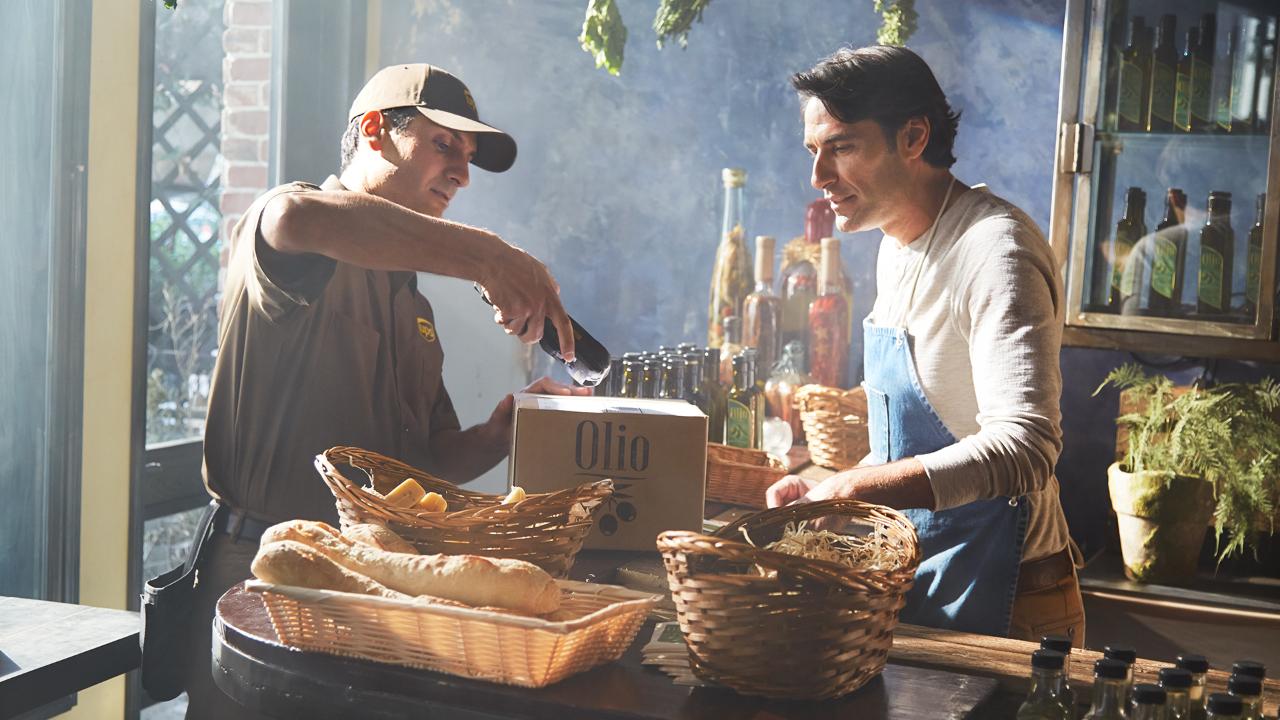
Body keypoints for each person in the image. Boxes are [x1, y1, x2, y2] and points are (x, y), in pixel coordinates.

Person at [181, 63, 587, 718]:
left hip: (373, 587)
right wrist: (488, 255)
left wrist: (501, 433)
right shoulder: (292, 226)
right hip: (265, 573)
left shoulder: (410, 301)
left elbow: (422, 463)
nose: (461, 173)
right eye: (444, 144)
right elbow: (296, 217)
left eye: (470, 157)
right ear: (375, 131)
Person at [766, 46, 1085, 645]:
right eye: (814, 152)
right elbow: (917, 438)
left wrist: (857, 488)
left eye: (841, 147)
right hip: (925, 580)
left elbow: (1027, 447)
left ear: (913, 137)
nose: (818, 178)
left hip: (1012, 600)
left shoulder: (997, 252)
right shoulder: (896, 244)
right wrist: (829, 491)